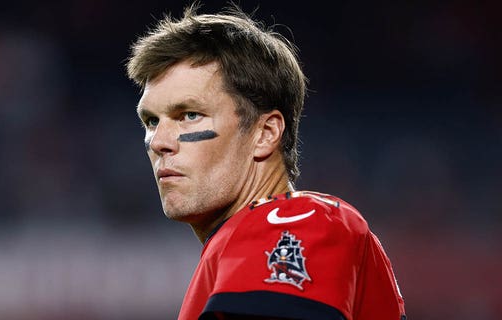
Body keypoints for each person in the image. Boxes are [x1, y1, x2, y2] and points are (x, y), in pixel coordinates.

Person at [126, 4, 406, 320]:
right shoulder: (229, 249)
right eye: (151, 121)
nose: (159, 142)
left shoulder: (296, 221)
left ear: (265, 133)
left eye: (189, 115)